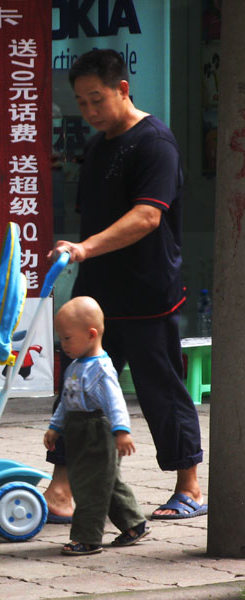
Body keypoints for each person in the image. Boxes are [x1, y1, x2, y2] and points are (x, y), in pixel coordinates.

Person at [45, 49, 206, 522]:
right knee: (77, 388)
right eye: (82, 102)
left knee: (160, 387)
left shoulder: (155, 143)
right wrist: (82, 254)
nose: (90, 112)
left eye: (98, 100)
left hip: (147, 291)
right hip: (96, 295)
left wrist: (87, 247)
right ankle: (61, 489)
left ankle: (190, 487)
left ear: (123, 89)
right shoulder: (97, 145)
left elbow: (147, 216)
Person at [44, 297, 149, 555]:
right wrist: (55, 427)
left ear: (91, 335)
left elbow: (115, 403)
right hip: (78, 430)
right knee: (105, 480)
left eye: (67, 338)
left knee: (89, 486)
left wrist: (121, 431)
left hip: (97, 430)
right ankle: (134, 524)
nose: (63, 344)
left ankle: (87, 537)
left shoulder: (101, 368)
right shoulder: (75, 366)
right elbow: (66, 403)